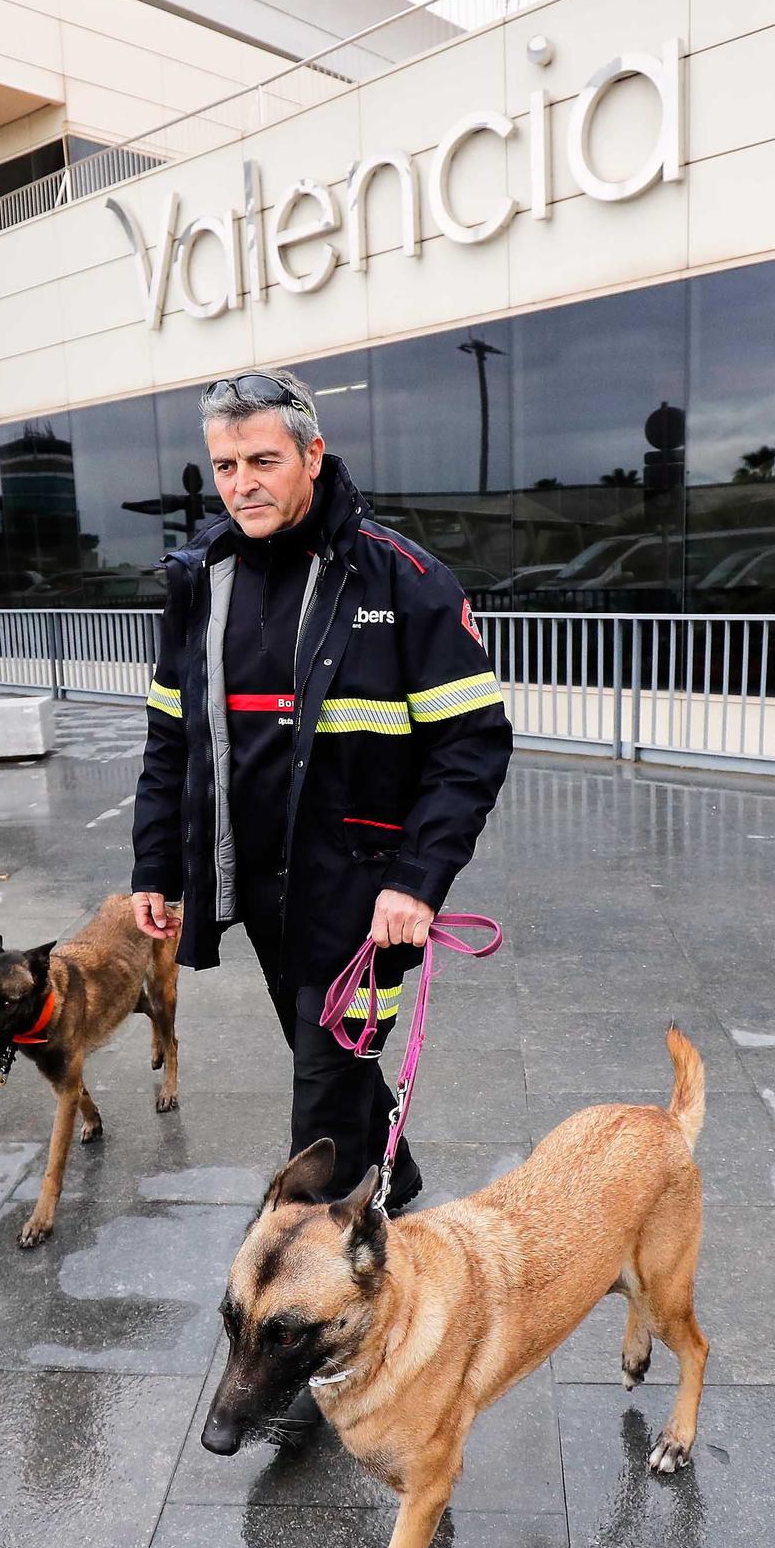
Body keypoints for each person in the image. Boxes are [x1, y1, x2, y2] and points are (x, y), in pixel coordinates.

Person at [131, 368, 512, 1213]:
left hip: (360, 891)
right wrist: (157, 867)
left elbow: (471, 747)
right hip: (258, 886)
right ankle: (396, 1175)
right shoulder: (201, 580)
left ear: (312, 453)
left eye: (262, 459)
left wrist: (417, 881)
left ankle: (311, 1268)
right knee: (330, 1053)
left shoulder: (402, 578)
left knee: (323, 1083)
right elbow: (170, 739)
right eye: (225, 466)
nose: (241, 484)